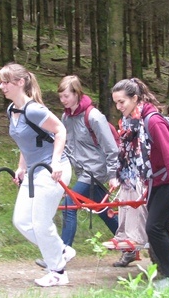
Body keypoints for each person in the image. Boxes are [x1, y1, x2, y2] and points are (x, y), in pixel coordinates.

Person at [0, 63, 74, 287]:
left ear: (20, 83)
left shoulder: (34, 110)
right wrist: (21, 167)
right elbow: (26, 142)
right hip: (33, 171)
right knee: (21, 221)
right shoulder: (12, 110)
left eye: (5, 82)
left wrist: (56, 161)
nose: (1, 86)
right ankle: (61, 250)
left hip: (52, 170)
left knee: (41, 223)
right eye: (0, 82)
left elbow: (60, 130)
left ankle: (58, 272)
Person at [111, 78, 169, 289]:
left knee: (153, 227)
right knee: (160, 227)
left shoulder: (153, 121)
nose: (119, 107)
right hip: (156, 182)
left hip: (168, 182)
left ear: (135, 99)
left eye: (122, 102)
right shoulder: (135, 121)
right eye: (116, 103)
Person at [45, 76, 119, 261]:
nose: (63, 100)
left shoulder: (94, 116)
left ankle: (62, 253)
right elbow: (67, 146)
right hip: (82, 171)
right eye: (60, 97)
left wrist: (113, 174)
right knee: (103, 208)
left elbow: (111, 148)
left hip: (96, 170)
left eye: (66, 96)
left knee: (69, 205)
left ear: (77, 94)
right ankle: (130, 246)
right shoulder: (65, 117)